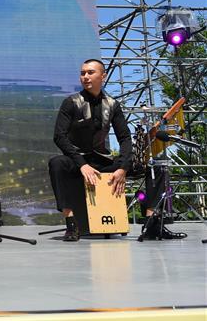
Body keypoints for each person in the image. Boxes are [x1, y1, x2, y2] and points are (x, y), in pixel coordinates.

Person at [49, 59, 185, 241]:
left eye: (90, 72)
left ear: (102, 76)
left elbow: (124, 138)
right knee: (57, 163)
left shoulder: (112, 104)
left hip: (102, 162)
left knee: (155, 167)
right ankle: (71, 224)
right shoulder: (71, 102)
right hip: (77, 162)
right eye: (83, 73)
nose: (85, 76)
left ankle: (152, 223)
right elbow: (59, 137)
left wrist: (122, 167)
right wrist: (81, 165)